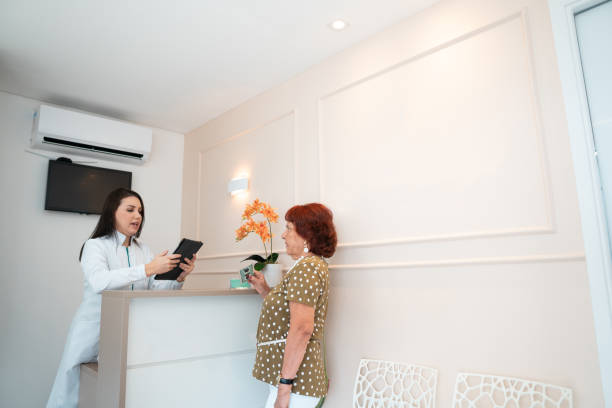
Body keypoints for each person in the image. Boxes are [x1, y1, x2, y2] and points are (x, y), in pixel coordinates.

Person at [46, 188, 196, 408]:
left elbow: (154, 290)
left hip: (130, 336)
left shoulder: (143, 250)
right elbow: (99, 281)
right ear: (112, 212)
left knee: (118, 395)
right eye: (130, 210)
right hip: (93, 333)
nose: (137, 216)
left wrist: (179, 276)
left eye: (140, 211)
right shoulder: (95, 246)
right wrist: (148, 268)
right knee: (73, 395)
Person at [248, 203, 337, 408]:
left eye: (288, 228)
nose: (283, 235)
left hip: (296, 384)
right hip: (293, 381)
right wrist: (264, 290)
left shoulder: (306, 269)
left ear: (307, 236)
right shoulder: (308, 267)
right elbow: (290, 315)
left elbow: (302, 329)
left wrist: (284, 388)